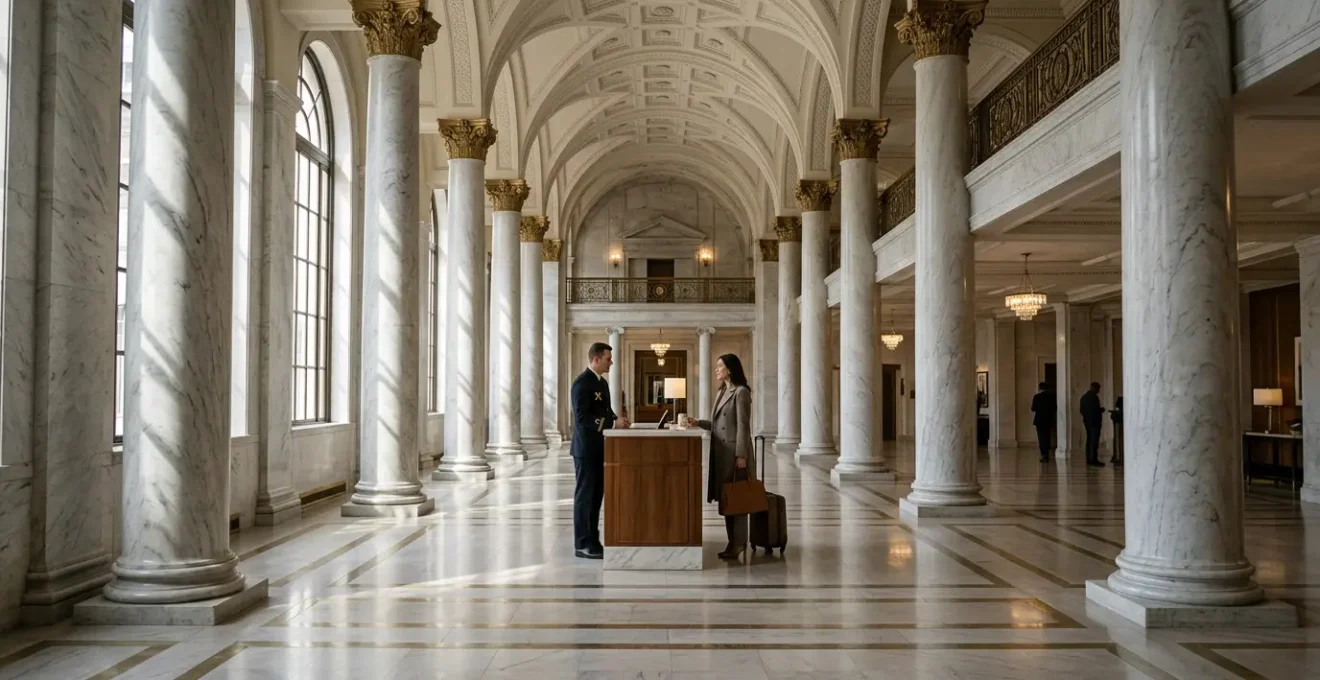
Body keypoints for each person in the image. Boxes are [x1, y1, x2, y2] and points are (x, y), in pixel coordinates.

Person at [570, 342, 630, 559]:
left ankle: (593, 540)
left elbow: (606, 411)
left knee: (596, 497)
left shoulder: (602, 383)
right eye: (608, 359)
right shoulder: (581, 384)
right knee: (585, 496)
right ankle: (582, 543)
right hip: (586, 449)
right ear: (596, 359)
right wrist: (612, 424)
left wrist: (618, 419)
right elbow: (582, 418)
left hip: (600, 447)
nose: (611, 362)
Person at [693, 354, 755, 560]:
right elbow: (717, 424)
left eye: (720, 366)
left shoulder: (741, 392)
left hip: (735, 454)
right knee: (728, 499)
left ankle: (739, 543)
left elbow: (743, 427)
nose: (716, 369)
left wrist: (741, 455)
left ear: (730, 369)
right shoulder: (722, 392)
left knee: (738, 498)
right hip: (721, 455)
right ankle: (732, 542)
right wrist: (697, 423)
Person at [1080, 382, 1105, 467]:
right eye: (1098, 388)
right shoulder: (1094, 397)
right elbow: (1095, 410)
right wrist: (1101, 410)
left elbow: (1082, 410)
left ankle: (1089, 458)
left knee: (1089, 440)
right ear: (1094, 388)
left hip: (1087, 422)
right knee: (1094, 441)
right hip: (1094, 422)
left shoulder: (1084, 397)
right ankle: (1093, 459)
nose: (1099, 390)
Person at [1030, 382, 1056, 463]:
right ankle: (1047, 452)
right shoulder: (1052, 396)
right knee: (1047, 436)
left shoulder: (1037, 396)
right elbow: (1055, 407)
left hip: (1040, 420)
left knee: (1041, 437)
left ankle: (1044, 454)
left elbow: (1033, 408)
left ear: (1039, 388)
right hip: (1049, 419)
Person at [1109, 396, 1123, 466]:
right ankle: (1119, 457)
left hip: (1120, 423)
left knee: (1119, 440)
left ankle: (1119, 457)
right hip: (1119, 423)